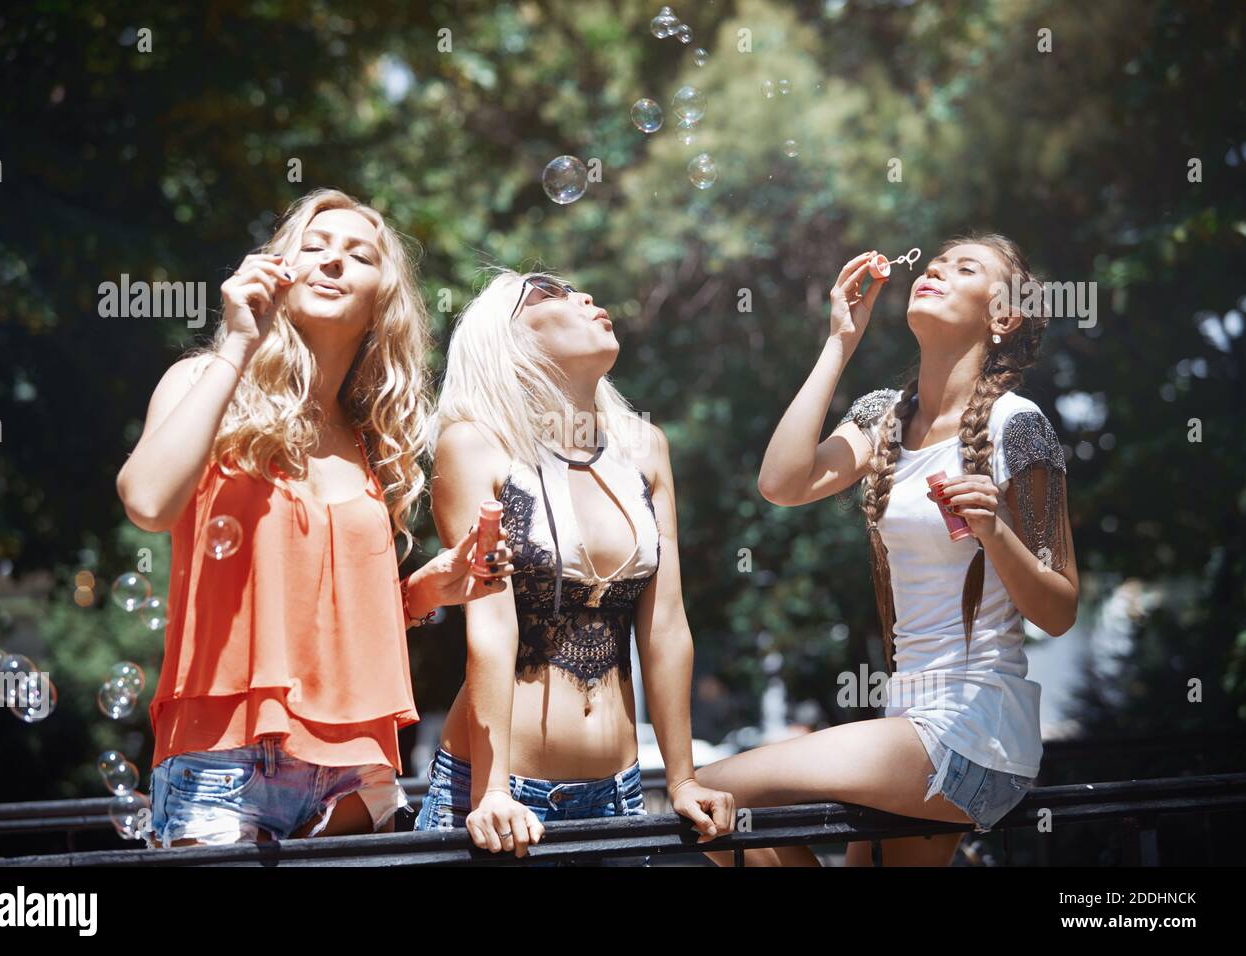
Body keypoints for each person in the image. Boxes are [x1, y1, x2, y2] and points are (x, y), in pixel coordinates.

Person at [116, 188, 512, 848]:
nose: (333, 262)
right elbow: (149, 503)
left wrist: (424, 591)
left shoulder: (369, 439)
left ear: (383, 299)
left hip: (357, 769)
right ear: (278, 270)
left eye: (358, 255)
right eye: (314, 247)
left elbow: (318, 609)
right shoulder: (206, 385)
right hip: (223, 752)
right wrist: (239, 342)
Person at [695, 234, 1078, 866]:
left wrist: (995, 532)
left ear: (1003, 315)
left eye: (965, 267)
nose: (935, 270)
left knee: (709, 788)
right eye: (935, 263)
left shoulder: (1019, 423)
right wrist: (839, 340)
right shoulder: (884, 418)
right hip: (905, 724)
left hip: (975, 729)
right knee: (719, 810)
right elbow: (782, 483)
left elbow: (1059, 611)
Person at [414, 269, 735, 864]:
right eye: (548, 292)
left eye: (579, 288)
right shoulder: (474, 444)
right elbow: (490, 629)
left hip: (620, 795)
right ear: (504, 338)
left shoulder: (646, 446)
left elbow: (665, 626)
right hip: (497, 801)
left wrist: (684, 779)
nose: (585, 296)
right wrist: (493, 790)